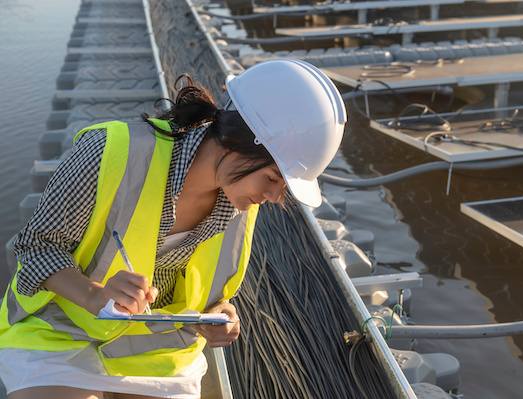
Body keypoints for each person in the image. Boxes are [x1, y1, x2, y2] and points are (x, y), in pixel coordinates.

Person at [0, 58, 346, 399]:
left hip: (156, 349)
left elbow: (210, 295)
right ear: (236, 141)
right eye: (272, 178)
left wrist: (215, 314)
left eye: (283, 187)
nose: (272, 196)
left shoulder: (240, 198)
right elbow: (35, 247)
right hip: (61, 330)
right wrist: (94, 294)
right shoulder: (112, 152)